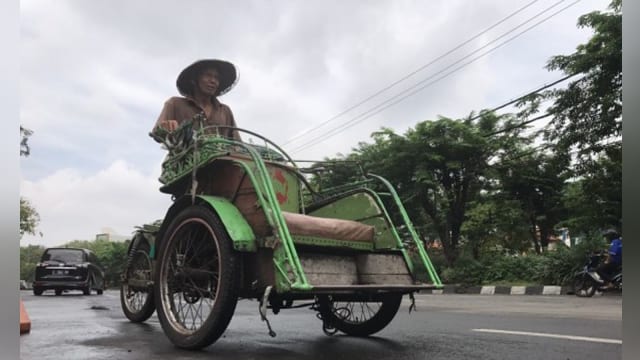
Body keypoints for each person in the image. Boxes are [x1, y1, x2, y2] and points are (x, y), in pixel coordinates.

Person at [152, 59, 241, 142]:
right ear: (194, 79)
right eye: (208, 75)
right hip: (186, 157)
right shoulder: (175, 103)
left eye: (217, 78)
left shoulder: (225, 111)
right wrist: (165, 128)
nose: (213, 81)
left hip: (221, 157)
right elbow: (157, 133)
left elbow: (238, 143)